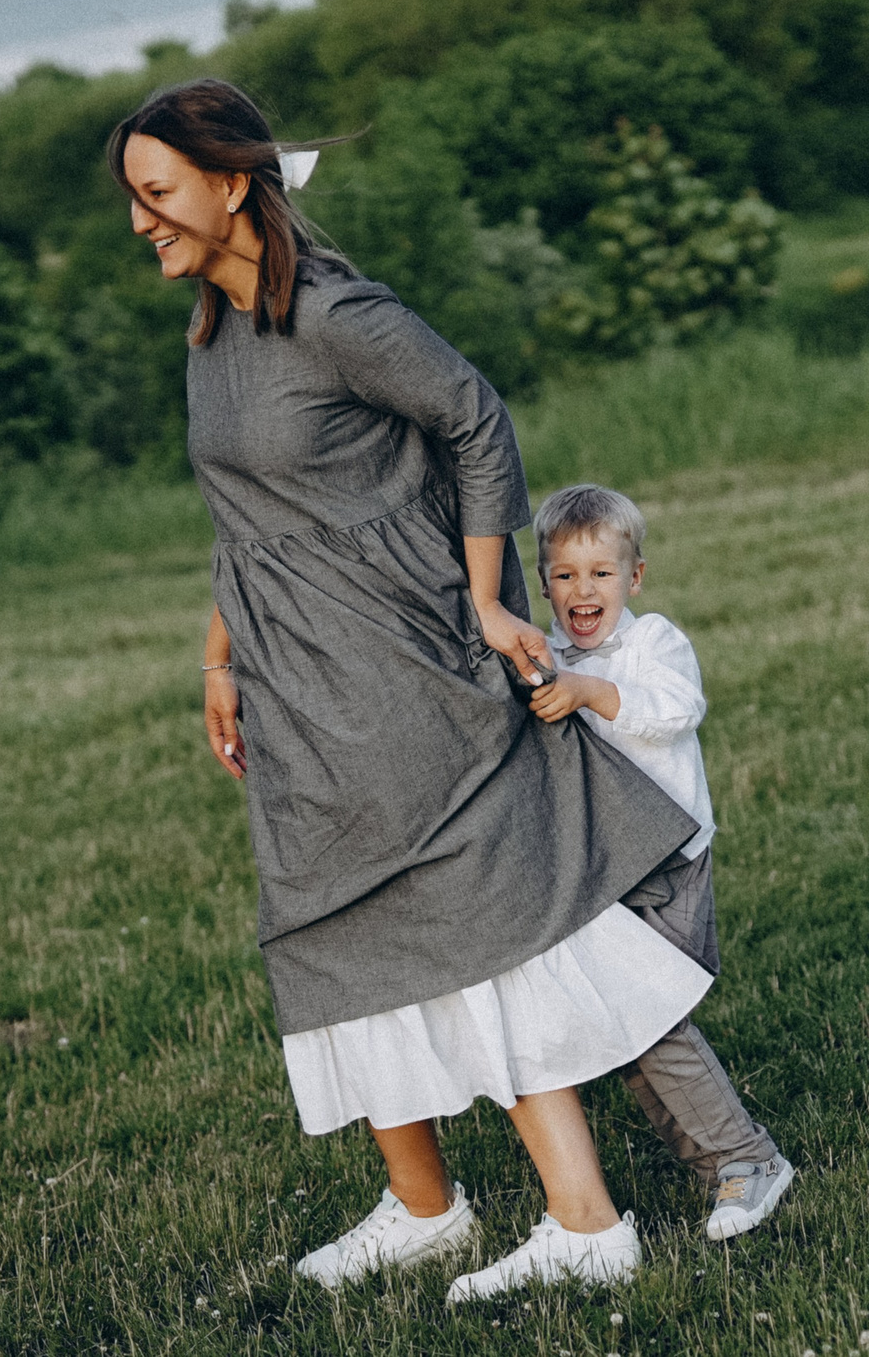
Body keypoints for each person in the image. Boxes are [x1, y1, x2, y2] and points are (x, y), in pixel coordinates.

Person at [108, 79, 709, 1302]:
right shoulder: (211, 335)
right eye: (131, 199)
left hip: (398, 664)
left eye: (155, 193)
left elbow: (476, 417)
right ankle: (423, 1206)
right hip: (293, 682)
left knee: (463, 918)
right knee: (328, 925)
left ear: (231, 183)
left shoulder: (336, 313)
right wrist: (218, 658)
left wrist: (491, 599)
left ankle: (587, 1222)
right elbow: (244, 520)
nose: (140, 222)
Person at [524, 484, 798, 1239]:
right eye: (566, 575)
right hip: (600, 871)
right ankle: (717, 1170)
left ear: (633, 578)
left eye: (602, 574)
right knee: (625, 1034)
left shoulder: (653, 645)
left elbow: (676, 708)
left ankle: (750, 1161)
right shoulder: (540, 654)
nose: (584, 591)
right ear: (541, 580)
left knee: (652, 1022)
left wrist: (589, 691)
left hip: (668, 862)